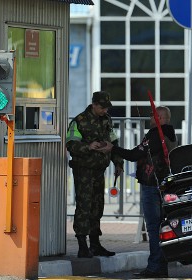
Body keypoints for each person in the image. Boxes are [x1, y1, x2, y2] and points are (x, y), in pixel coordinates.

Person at [102, 106, 177, 278]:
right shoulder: (171, 135)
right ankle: (161, 266)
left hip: (152, 185)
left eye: (153, 115)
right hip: (165, 185)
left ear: (159, 117)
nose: (150, 118)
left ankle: (154, 267)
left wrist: (112, 148)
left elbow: (135, 154)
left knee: (153, 228)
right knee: (162, 227)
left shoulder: (154, 134)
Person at [66, 91, 123, 258]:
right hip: (84, 169)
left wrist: (118, 162)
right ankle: (82, 245)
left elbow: (113, 141)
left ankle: (95, 244)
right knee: (84, 206)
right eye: (102, 107)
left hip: (99, 170)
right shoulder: (79, 121)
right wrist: (88, 147)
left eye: (107, 108)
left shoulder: (106, 120)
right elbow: (71, 144)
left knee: (97, 206)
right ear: (94, 105)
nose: (105, 110)